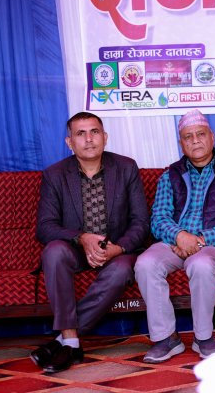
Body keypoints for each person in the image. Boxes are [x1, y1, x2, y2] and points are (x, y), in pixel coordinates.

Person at [32, 112, 149, 373]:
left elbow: (141, 222)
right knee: (53, 252)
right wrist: (81, 238)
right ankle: (71, 341)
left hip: (116, 251)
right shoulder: (55, 174)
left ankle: (65, 341)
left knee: (122, 269)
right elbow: (45, 227)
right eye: (80, 133)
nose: (88, 139)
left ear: (105, 137)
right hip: (75, 250)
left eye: (94, 132)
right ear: (69, 142)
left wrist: (119, 248)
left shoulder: (126, 167)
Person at [135, 109, 215, 363]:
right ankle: (166, 338)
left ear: (212, 137)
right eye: (188, 136)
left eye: (201, 134)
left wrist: (198, 240)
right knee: (146, 263)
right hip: (174, 242)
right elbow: (159, 219)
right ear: (181, 143)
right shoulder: (170, 175)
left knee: (201, 263)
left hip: (214, 243)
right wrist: (179, 236)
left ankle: (203, 337)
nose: (195, 140)